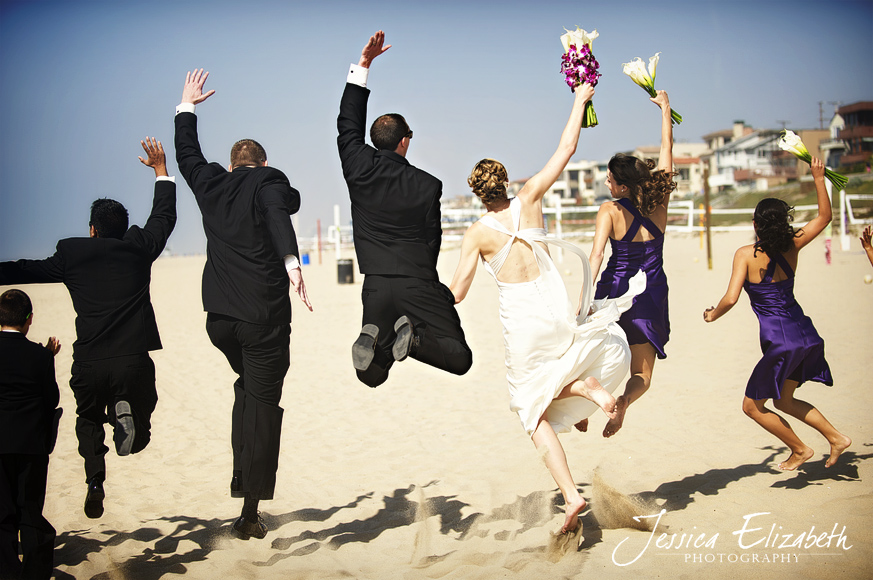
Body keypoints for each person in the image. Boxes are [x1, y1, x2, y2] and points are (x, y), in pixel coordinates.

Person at [449, 83, 644, 536]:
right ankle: (586, 388)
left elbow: (456, 291)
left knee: (529, 407)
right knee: (551, 382)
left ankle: (572, 494)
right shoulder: (531, 196)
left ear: (478, 193)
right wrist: (580, 98)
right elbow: (568, 146)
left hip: (523, 321)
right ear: (506, 180)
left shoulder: (477, 233)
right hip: (555, 307)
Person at [0, 137, 176, 519]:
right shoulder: (139, 246)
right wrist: (161, 171)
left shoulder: (72, 253)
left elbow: (26, 268)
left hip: (90, 362)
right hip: (132, 359)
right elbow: (164, 217)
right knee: (142, 409)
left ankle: (95, 479)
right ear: (123, 228)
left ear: (92, 230)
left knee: (88, 418)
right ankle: (132, 421)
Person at [174, 69, 311, 540]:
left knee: (248, 389)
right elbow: (278, 212)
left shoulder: (211, 184)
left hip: (219, 322)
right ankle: (249, 513)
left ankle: (241, 474)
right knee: (263, 405)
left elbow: (188, 156)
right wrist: (292, 261)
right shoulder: (269, 182)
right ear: (263, 162)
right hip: (262, 319)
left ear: (232, 165)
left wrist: (186, 106)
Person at [338, 31, 472, 387]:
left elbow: (347, 124)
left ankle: (377, 345)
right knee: (459, 358)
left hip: (376, 284)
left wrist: (363, 65)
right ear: (404, 141)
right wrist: (431, 287)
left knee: (370, 376)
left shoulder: (357, 165)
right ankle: (411, 339)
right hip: (417, 281)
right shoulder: (428, 185)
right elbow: (432, 239)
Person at [703, 158, 851, 471]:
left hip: (781, 341)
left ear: (756, 224)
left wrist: (713, 314)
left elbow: (730, 298)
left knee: (752, 407)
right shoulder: (793, 244)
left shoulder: (746, 254)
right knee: (784, 400)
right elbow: (825, 216)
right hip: (807, 335)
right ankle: (836, 438)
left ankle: (799, 449)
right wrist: (818, 177)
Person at [588, 91, 676, 438]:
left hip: (614, 290)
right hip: (651, 292)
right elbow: (666, 153)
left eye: (610, 179)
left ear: (622, 185)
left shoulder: (609, 210)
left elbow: (596, 255)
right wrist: (665, 111)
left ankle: (586, 408)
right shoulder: (660, 203)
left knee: (592, 357)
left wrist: (583, 297)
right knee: (643, 375)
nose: (607, 183)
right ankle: (623, 401)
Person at [0, 290, 61, 579]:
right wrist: (46, 357)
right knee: (30, 514)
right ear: (29, 320)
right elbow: (51, 399)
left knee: (2, 515)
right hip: (31, 446)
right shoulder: (39, 355)